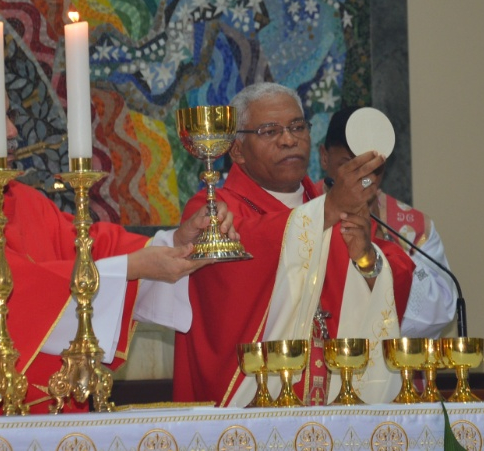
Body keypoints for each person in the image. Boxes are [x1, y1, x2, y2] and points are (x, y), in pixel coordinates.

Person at [0, 55, 237, 416]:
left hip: (53, 415)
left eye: (10, 115)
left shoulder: (20, 200)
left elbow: (90, 246)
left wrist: (176, 242)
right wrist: (132, 267)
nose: (13, 131)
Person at [172, 82, 415, 407]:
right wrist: (327, 211)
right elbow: (240, 266)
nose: (289, 139)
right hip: (252, 414)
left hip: (337, 406)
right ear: (237, 150)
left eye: (297, 127)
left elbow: (396, 271)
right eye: (269, 131)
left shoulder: (325, 203)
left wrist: (367, 260)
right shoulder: (213, 209)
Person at [319, 106, 456, 338]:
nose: (360, 178)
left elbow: (442, 311)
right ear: (324, 157)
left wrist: (379, 257)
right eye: (347, 165)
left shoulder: (411, 227)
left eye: (372, 167)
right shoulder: (302, 213)